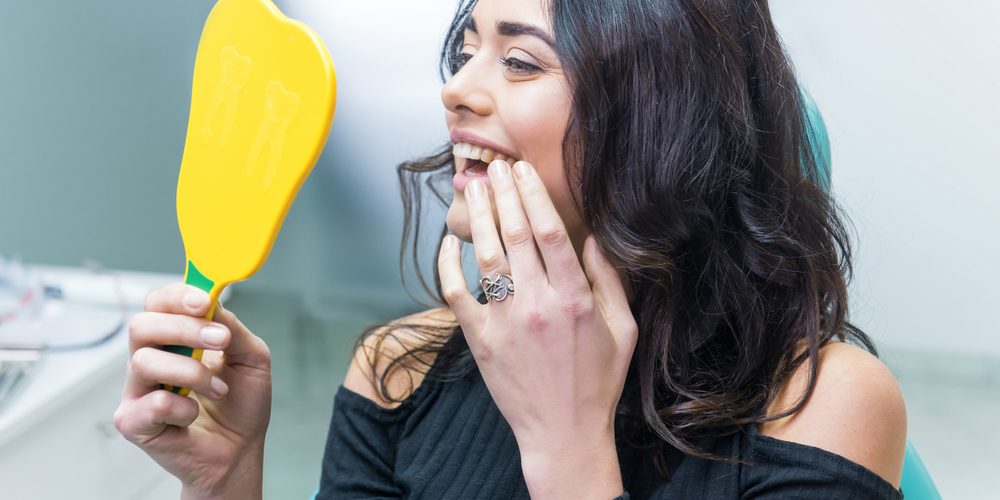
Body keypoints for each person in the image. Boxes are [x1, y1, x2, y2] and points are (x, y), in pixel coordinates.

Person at [114, 0, 908, 498]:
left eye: (521, 58)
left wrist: (566, 445)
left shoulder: (820, 406)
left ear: (661, 120)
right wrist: (224, 481)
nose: (455, 86)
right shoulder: (401, 370)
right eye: (467, 46)